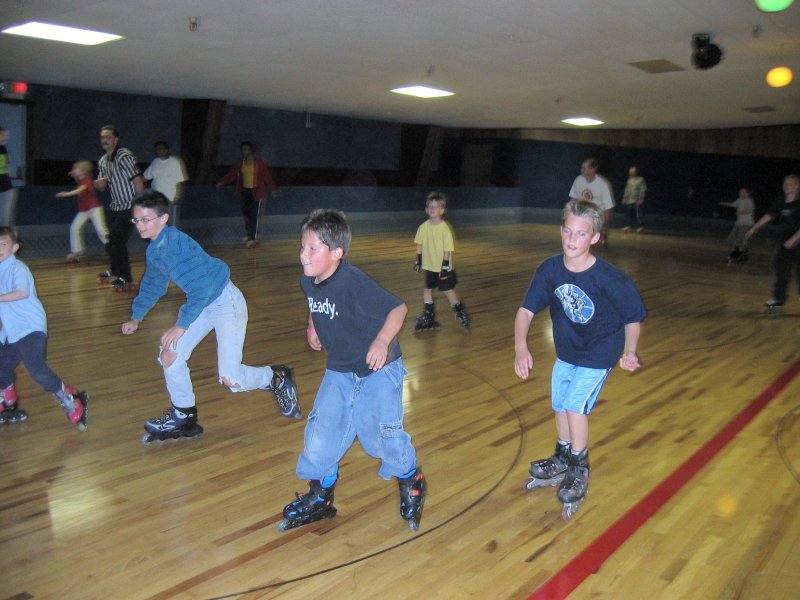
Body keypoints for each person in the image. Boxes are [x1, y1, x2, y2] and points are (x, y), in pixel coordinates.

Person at [279, 208, 426, 532]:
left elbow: (398, 308)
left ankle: (410, 476)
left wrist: (381, 341)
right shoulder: (309, 279)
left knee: (379, 440)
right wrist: (312, 328)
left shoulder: (353, 282)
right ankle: (321, 496)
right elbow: (314, 302)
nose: (303, 255)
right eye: (302, 247)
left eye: (312, 249)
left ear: (336, 253)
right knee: (321, 437)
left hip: (378, 370)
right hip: (341, 369)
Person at [120, 190, 301, 443]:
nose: (140, 225)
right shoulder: (155, 250)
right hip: (203, 303)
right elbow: (153, 283)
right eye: (136, 220)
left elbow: (202, 287)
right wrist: (136, 316)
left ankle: (276, 377)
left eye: (146, 219)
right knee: (169, 355)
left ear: (163, 218)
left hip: (226, 302)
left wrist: (181, 326)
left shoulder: (177, 244)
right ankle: (184, 415)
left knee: (232, 379)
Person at [514, 199, 646, 520]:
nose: (573, 240)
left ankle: (579, 465)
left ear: (595, 238)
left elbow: (632, 317)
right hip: (568, 348)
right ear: (561, 231)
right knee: (559, 402)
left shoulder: (610, 278)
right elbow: (526, 310)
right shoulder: (550, 270)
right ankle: (562, 455)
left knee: (575, 405)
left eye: (581, 234)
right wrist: (521, 346)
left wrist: (629, 351)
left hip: (601, 349)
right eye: (568, 232)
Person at [0, 226, 88, 428]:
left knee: (37, 370)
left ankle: (70, 396)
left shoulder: (18, 268)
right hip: (12, 331)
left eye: (2, 244)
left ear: (14, 248)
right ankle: (7, 397)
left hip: (30, 328)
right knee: (1, 364)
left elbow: (21, 292)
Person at [94, 125, 145, 290]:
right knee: (112, 243)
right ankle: (115, 269)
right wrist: (98, 184)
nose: (105, 140)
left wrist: (140, 205)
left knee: (117, 242)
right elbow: (102, 187)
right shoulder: (103, 161)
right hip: (115, 207)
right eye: (102, 137)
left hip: (130, 206)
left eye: (108, 137)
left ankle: (125, 277)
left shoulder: (124, 155)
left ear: (116, 139)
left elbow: (138, 180)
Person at [412, 191, 471, 333]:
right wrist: (419, 260)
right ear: (426, 210)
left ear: (442, 210)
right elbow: (419, 243)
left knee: (448, 291)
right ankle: (429, 316)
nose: (432, 209)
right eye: (430, 206)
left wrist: (444, 267)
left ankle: (460, 311)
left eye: (436, 206)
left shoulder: (445, 229)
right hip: (429, 266)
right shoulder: (423, 227)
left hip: (442, 267)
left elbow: (447, 249)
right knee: (427, 290)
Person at [746, 174, 800, 312]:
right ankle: (778, 302)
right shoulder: (780, 200)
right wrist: (754, 228)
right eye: (785, 184)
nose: (787, 186)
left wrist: (794, 239)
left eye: (790, 184)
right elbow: (770, 215)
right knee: (780, 270)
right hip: (785, 240)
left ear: (797, 186)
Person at [216, 141, 279, 248]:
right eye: (242, 150)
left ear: (251, 150)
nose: (244, 151)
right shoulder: (240, 163)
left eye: (246, 149)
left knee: (254, 216)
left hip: (256, 193)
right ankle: (249, 234)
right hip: (244, 192)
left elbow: (266, 176)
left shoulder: (258, 163)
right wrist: (222, 181)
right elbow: (233, 175)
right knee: (247, 215)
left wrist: (273, 188)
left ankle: (253, 239)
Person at [56, 160, 109, 263]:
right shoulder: (81, 180)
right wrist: (73, 173)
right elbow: (78, 178)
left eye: (77, 169)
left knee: (101, 230)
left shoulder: (86, 181)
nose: (74, 170)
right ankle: (78, 252)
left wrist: (66, 194)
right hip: (84, 210)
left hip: (94, 208)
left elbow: (80, 190)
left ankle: (113, 248)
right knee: (75, 228)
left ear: (83, 171)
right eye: (74, 169)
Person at [568, 158, 615, 247]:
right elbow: (573, 199)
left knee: (596, 241)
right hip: (583, 212)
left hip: (598, 213)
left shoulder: (603, 184)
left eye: (584, 168)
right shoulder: (578, 180)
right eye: (581, 168)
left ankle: (602, 234)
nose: (581, 170)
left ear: (593, 169)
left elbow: (608, 207)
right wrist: (571, 214)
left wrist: (604, 224)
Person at [143, 141, 188, 227]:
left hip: (170, 198)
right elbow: (145, 177)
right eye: (157, 149)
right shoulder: (155, 162)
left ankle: (172, 240)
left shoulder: (175, 162)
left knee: (172, 223)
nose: (160, 151)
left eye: (162, 149)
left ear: (167, 150)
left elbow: (180, 180)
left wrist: (177, 196)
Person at [718, 187, 755, 264]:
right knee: (730, 238)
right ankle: (742, 250)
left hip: (746, 224)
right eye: (740, 192)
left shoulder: (749, 200)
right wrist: (723, 203)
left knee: (739, 239)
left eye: (742, 192)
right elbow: (733, 204)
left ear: (747, 193)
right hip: (738, 223)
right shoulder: (739, 200)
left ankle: (738, 254)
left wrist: (741, 213)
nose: (740, 193)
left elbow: (750, 210)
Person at [620, 166, 647, 232]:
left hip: (637, 200)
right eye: (630, 172)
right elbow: (627, 190)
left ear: (636, 172)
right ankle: (629, 226)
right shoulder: (629, 180)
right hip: (629, 200)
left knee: (638, 214)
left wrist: (641, 199)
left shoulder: (641, 179)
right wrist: (624, 198)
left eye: (633, 172)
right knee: (628, 214)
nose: (631, 173)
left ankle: (641, 226)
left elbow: (643, 190)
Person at [0, 127, 18, 226]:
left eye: (6, 135)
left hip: (6, 187)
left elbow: (6, 166)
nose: (5, 138)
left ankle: (5, 240)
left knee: (5, 219)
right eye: (2, 135)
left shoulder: (3, 148)